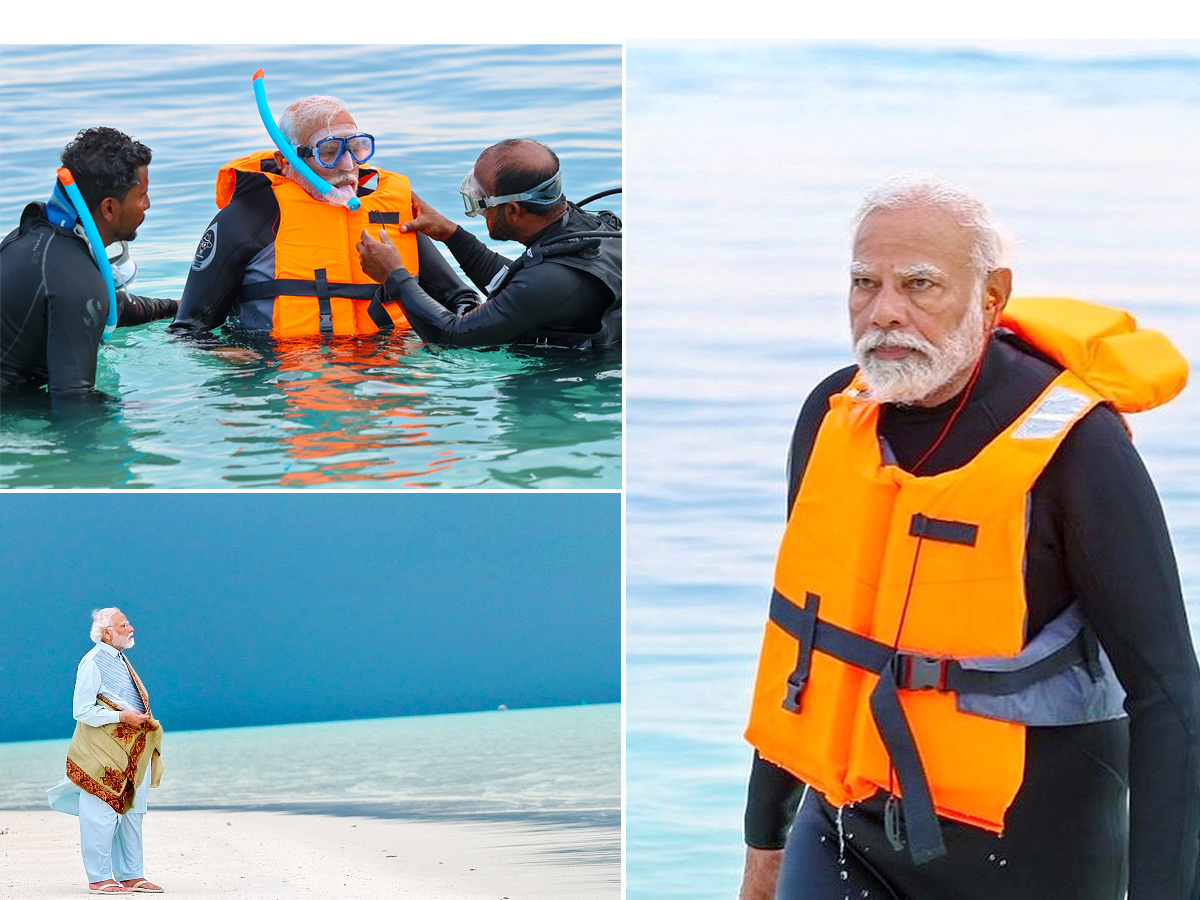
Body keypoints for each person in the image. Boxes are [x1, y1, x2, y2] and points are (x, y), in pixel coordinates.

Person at [739, 179, 1200, 900]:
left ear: (991, 296)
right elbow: (809, 635)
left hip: (1032, 855)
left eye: (920, 285)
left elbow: (1170, 697)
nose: (883, 313)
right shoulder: (832, 419)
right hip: (844, 833)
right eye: (865, 282)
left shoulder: (1080, 453)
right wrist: (762, 852)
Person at [169, 95, 476, 338]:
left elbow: (463, 300)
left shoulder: (389, 214)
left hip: (386, 379)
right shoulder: (246, 219)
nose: (347, 165)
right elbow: (188, 330)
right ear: (285, 161)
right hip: (284, 382)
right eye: (328, 152)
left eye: (357, 148)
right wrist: (232, 359)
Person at [356, 138, 621, 349]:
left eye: (482, 201)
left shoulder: (550, 280)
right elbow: (519, 283)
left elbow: (451, 337)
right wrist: (450, 233)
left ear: (514, 210)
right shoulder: (587, 228)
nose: (479, 211)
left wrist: (393, 276)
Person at [0, 128, 178, 396]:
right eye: (142, 194)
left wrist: (176, 307)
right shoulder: (76, 279)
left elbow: (96, 303)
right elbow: (74, 404)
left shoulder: (38, 237)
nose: (147, 204)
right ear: (109, 208)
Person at [47, 608, 164, 895]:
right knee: (100, 813)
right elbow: (81, 710)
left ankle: (131, 874)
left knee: (133, 811)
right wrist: (122, 717)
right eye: (123, 625)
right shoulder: (92, 661)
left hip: (132, 750)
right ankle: (99, 878)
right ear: (107, 632)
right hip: (102, 751)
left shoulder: (121, 659)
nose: (131, 627)